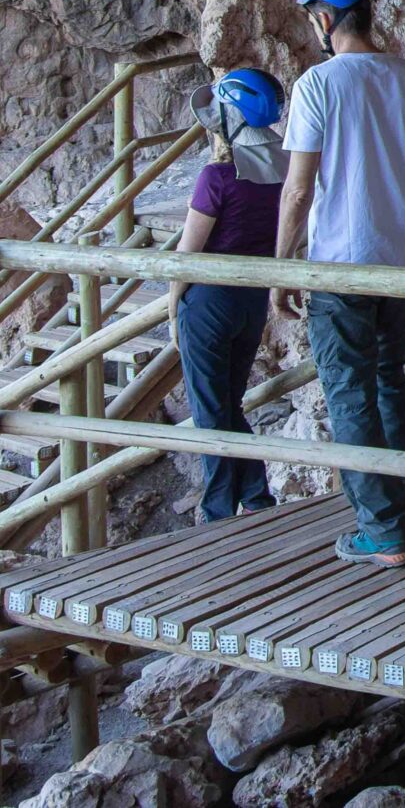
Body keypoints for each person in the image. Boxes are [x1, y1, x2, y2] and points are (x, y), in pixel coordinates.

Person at [274, 0, 405, 566]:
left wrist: (282, 266)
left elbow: (299, 190)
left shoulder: (317, 86)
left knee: (349, 391)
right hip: (402, 264)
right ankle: (402, 508)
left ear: (325, 17)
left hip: (340, 269)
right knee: (388, 383)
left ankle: (381, 531)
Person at [173, 67, 289, 522]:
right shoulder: (287, 170)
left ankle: (218, 508)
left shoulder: (216, 177)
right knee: (229, 401)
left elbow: (187, 254)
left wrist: (172, 305)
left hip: (209, 301)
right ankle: (256, 496)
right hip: (252, 299)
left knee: (208, 406)